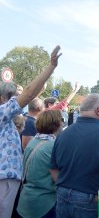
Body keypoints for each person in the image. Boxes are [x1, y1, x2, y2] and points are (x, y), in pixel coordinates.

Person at [0, 45, 61, 218]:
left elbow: (29, 94)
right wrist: (51, 67)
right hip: (4, 180)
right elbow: (27, 94)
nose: (15, 99)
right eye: (12, 95)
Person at [50, 94, 99, 218]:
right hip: (90, 200)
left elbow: (53, 169)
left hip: (62, 195)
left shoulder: (63, 133)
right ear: (98, 110)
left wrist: (64, 188)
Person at [17, 110, 63, 218]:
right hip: (44, 204)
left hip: (26, 200)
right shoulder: (52, 146)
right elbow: (57, 176)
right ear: (56, 125)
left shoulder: (33, 141)